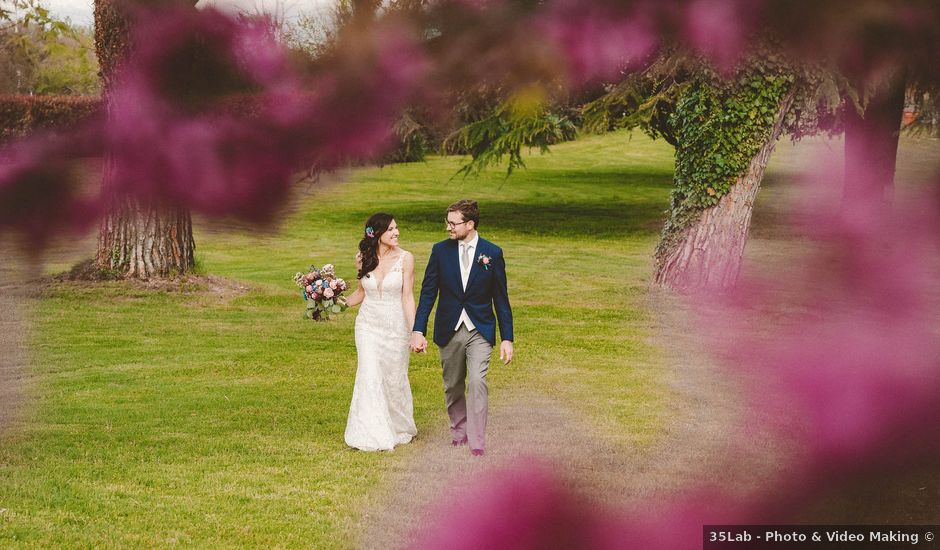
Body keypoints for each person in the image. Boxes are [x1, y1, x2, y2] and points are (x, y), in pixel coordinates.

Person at [411, 200, 514, 457]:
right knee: (453, 384)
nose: (448, 227)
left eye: (453, 223)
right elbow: (427, 294)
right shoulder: (440, 252)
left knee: (478, 381)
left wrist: (507, 338)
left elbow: (501, 298)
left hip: (480, 328)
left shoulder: (493, 253)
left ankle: (477, 441)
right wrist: (418, 329)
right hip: (449, 328)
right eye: (447, 222)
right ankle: (459, 431)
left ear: (470, 224)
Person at [342, 213, 418, 451]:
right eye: (391, 229)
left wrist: (416, 331)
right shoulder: (363, 258)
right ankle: (369, 431)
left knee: (394, 378)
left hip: (395, 327)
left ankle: (398, 426)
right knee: (369, 374)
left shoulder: (406, 259)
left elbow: (407, 297)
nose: (396, 232)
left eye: (397, 228)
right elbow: (360, 293)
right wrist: (331, 301)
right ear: (377, 233)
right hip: (368, 326)